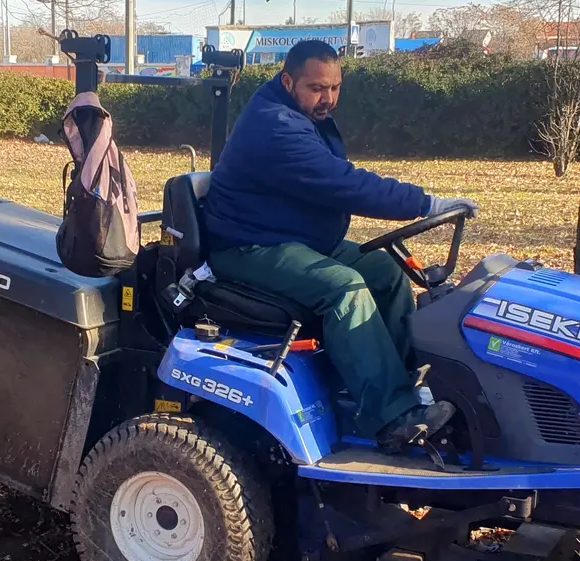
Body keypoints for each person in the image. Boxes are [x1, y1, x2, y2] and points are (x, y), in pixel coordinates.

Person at [203, 40, 480, 452]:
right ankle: (393, 419)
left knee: (386, 274)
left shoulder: (301, 115)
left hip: (294, 236)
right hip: (248, 246)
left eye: (334, 88)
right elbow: (344, 183)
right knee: (345, 289)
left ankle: (405, 390)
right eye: (316, 88)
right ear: (288, 81)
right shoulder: (274, 125)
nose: (327, 98)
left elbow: (337, 178)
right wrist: (425, 203)